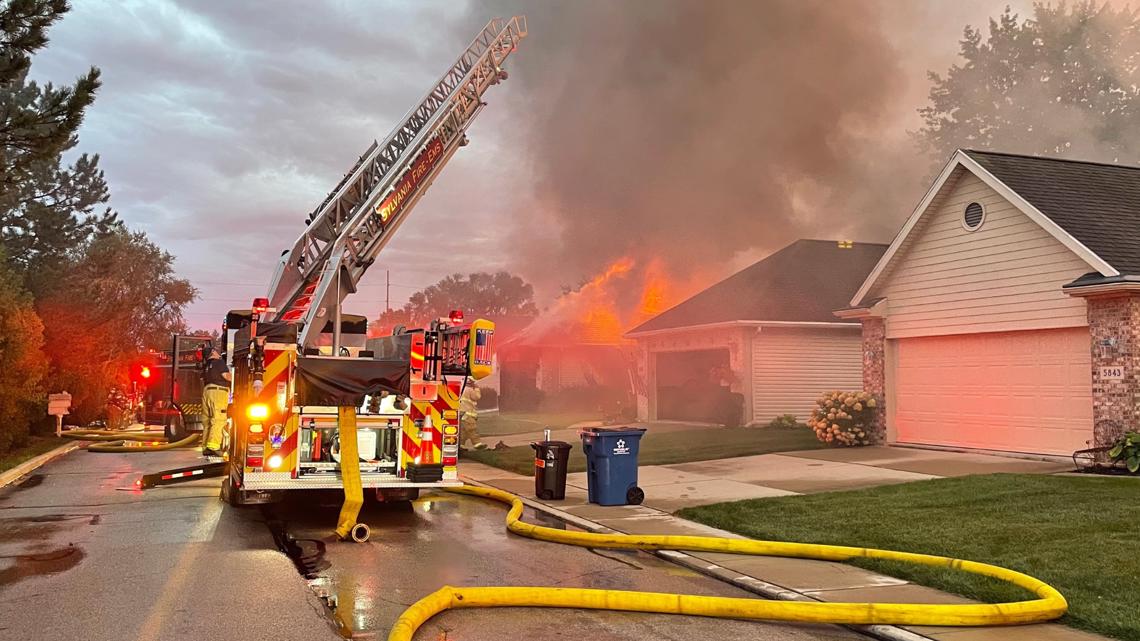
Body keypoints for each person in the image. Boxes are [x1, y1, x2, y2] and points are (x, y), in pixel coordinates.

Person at [201, 347, 231, 457]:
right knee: (219, 419)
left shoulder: (207, 366)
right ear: (213, 352)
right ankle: (213, 447)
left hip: (207, 391)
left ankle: (206, 447)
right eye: (216, 350)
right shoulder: (219, 362)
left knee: (207, 420)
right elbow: (226, 376)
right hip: (218, 392)